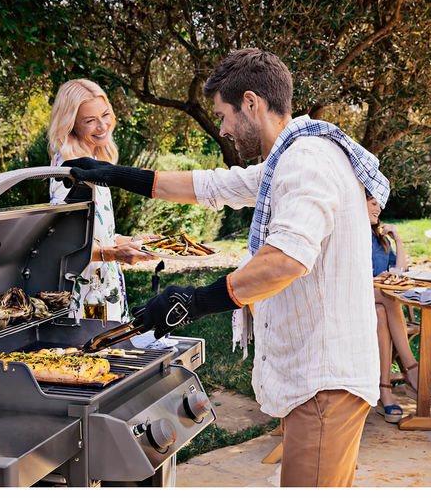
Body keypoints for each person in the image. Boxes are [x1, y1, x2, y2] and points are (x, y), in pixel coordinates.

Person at [61, 49, 390, 486]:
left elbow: (285, 260)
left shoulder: (306, 161)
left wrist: (192, 302)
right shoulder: (290, 156)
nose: (222, 129)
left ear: (251, 103)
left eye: (223, 115)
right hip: (320, 378)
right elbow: (214, 185)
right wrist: (116, 174)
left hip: (324, 381)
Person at [47, 79, 152, 321]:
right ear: (71, 124)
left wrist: (135, 241)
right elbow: (62, 245)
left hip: (104, 287)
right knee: (91, 357)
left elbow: (96, 235)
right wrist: (115, 254)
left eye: (105, 114)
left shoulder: (91, 161)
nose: (102, 125)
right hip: (84, 295)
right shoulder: (68, 170)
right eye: (90, 120)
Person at [367, 195, 431, 424]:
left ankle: (384, 390)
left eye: (379, 203)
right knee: (391, 298)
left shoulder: (380, 239)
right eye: (371, 202)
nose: (377, 207)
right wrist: (374, 279)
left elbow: (400, 272)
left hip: (378, 302)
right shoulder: (350, 235)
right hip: (356, 296)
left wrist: (397, 239)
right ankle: (411, 368)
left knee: (382, 312)